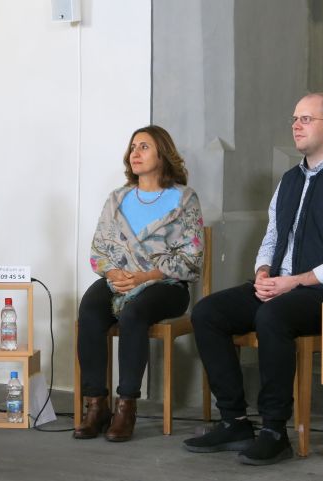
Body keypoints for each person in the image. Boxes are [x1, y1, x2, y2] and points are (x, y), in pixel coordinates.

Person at [184, 93, 323, 465]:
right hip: (282, 285)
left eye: (306, 119)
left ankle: (275, 431)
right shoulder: (290, 180)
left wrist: (296, 281)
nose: (296, 125)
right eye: (295, 118)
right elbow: (273, 236)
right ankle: (235, 421)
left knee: (272, 316)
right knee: (207, 312)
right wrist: (263, 272)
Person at [74, 125, 204, 442]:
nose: (135, 153)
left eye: (144, 147)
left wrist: (145, 276)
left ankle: (126, 406)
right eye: (133, 147)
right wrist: (112, 274)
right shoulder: (117, 199)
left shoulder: (184, 199)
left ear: (163, 153)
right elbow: (99, 250)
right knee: (89, 311)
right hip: (120, 280)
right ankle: (96, 405)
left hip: (166, 286)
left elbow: (192, 257)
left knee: (134, 314)